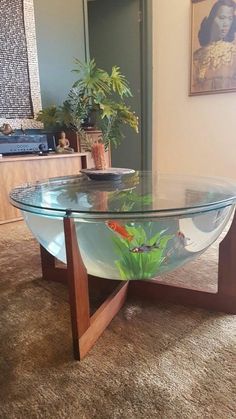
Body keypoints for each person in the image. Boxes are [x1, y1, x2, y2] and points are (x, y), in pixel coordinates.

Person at [192, 0, 236, 93]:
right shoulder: (196, 56)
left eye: (230, 19)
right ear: (212, 19)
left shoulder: (233, 53)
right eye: (222, 17)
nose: (226, 24)